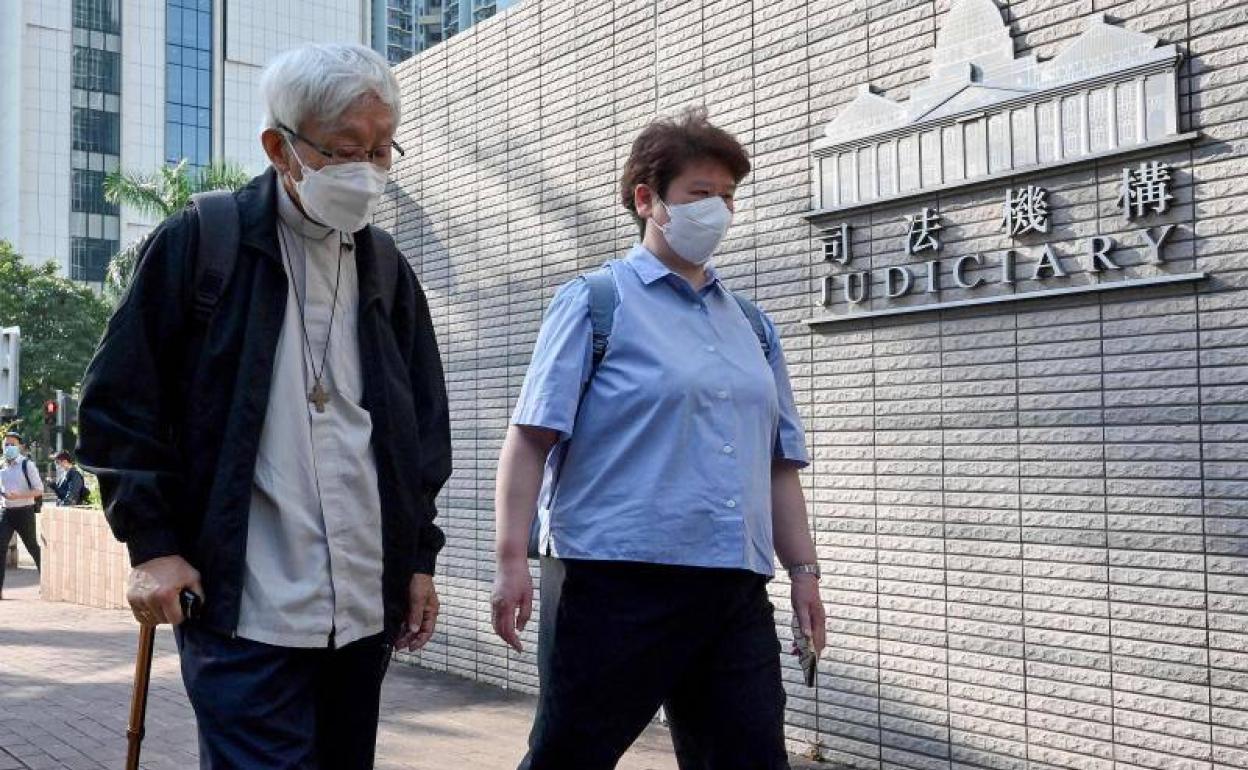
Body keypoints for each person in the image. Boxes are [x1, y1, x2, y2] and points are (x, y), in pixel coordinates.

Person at [77, 43, 450, 770]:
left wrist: (418, 559)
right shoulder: (202, 241)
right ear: (280, 147)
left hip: (362, 617)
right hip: (243, 610)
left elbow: (419, 434)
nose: (366, 171)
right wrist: (152, 546)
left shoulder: (387, 269)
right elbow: (119, 402)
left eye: (380, 151)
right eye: (344, 150)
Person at [491, 107, 828, 770]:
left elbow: (778, 466)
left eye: (729, 196)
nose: (721, 211)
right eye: (702, 195)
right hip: (613, 584)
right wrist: (509, 561)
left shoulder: (754, 327)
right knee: (568, 758)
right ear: (648, 199)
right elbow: (529, 439)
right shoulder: (595, 302)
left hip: (733, 588)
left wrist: (804, 573)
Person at [0, 432, 43, 599]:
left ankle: (45, 581)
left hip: (24, 511)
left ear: (20, 447)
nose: (8, 448)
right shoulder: (2, 467)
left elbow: (39, 490)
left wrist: (18, 496)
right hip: (6, 512)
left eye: (12, 444)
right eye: (6, 444)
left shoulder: (27, 465)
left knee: (32, 546)